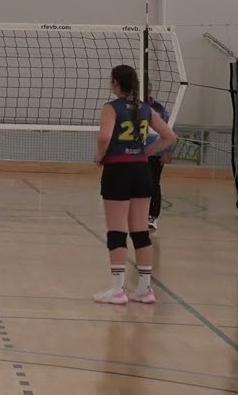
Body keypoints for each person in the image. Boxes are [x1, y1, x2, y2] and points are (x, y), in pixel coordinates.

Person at [93, 65, 176, 305]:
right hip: (142, 171)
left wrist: (101, 156)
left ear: (115, 83)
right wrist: (145, 152)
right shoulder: (146, 108)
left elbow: (104, 137)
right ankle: (144, 290)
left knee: (116, 230)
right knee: (140, 230)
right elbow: (170, 136)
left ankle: (117, 290)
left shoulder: (112, 108)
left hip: (118, 170)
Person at [144, 81, 174, 230]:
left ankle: (152, 216)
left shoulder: (160, 109)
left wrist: (168, 151)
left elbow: (169, 130)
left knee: (153, 184)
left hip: (155, 153)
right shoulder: (131, 107)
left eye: (148, 88)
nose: (147, 91)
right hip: (135, 153)